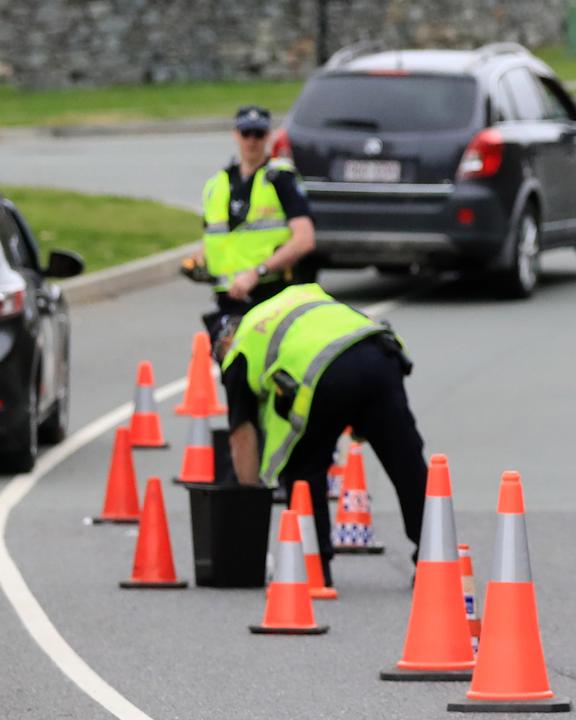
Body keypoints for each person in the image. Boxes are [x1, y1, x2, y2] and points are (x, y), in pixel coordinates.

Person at [219, 282, 427, 587]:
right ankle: (434, 558)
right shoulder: (295, 297)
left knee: (305, 469)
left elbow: (242, 437)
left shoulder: (238, 353)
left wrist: (250, 508)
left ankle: (315, 567)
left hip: (324, 375)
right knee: (407, 461)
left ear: (225, 340)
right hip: (378, 353)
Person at [187, 105, 317, 329]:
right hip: (227, 299)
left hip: (270, 295)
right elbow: (218, 236)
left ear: (269, 136)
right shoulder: (217, 184)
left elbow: (305, 239)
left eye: (258, 134)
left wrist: (257, 272)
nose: (252, 141)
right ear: (235, 135)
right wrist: (199, 260)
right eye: (246, 133)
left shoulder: (280, 178)